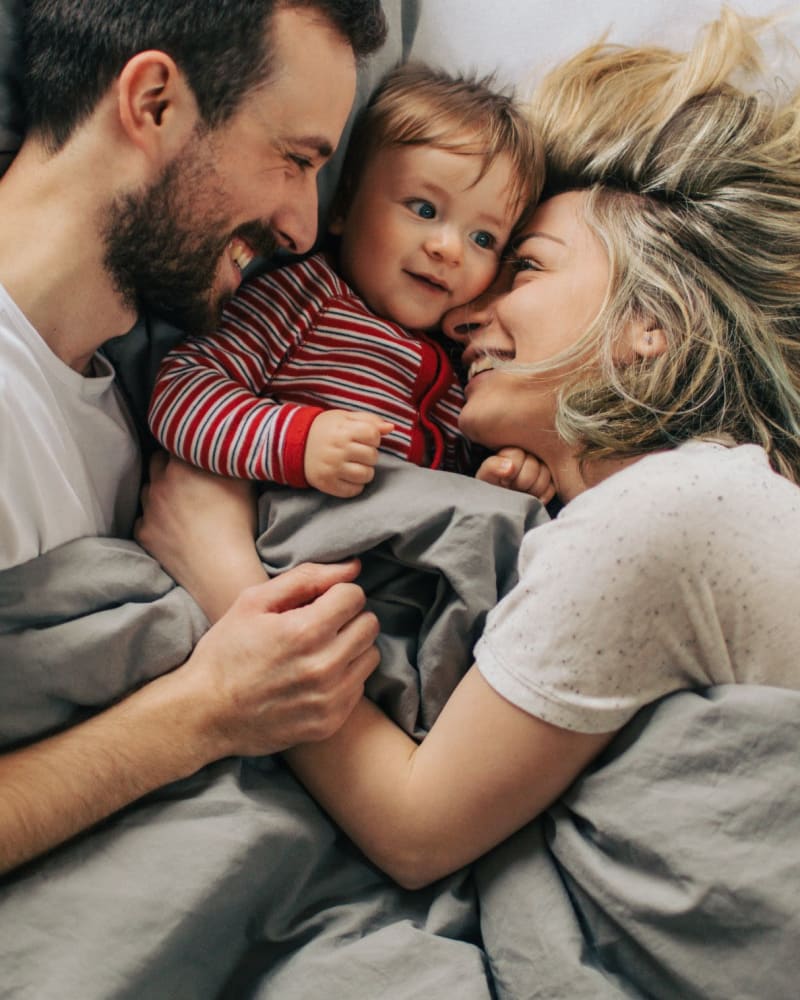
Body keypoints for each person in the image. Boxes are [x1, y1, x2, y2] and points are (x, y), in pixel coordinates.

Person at [139, 7, 800, 889]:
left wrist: (222, 573)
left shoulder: (667, 509)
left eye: (520, 263)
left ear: (654, 324)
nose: (463, 309)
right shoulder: (663, 503)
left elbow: (416, 830)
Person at [0, 0, 388, 875]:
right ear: (155, 103)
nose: (301, 226)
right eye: (294, 160)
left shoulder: (119, 402)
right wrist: (208, 709)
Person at [147, 63, 547, 499]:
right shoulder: (301, 300)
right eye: (424, 210)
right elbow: (180, 390)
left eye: (483, 238)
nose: (449, 250)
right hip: (289, 525)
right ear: (342, 207)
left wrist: (496, 478)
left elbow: (447, 486)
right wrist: (301, 442)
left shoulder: (463, 359)